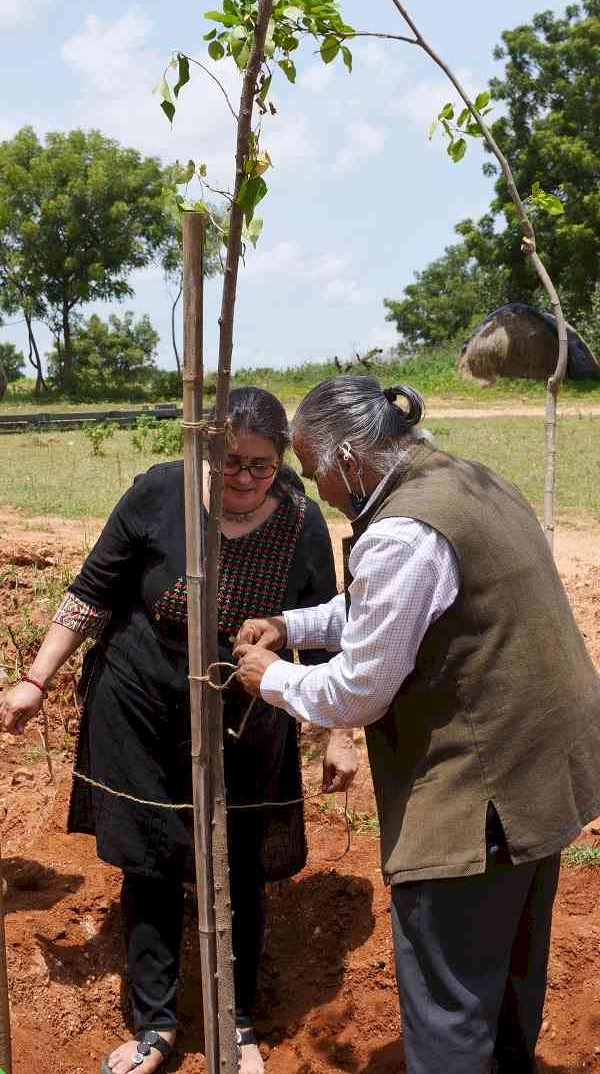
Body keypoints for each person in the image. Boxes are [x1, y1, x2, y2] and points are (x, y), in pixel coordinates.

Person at [234, 374, 600, 1074]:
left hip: (479, 795)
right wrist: (292, 624)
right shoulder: (466, 481)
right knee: (509, 976)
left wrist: (271, 678)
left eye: (312, 473)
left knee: (448, 1007)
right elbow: (391, 610)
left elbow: (361, 688)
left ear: (346, 459)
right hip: (544, 777)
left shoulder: (403, 530)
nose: (316, 491)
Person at [0, 386, 357, 1074]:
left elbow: (322, 632)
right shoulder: (159, 494)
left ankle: (238, 1020)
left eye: (261, 465)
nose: (245, 480)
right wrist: (35, 681)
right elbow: (91, 593)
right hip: (141, 699)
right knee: (152, 863)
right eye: (229, 464)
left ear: (282, 461)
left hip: (248, 710)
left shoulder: (301, 522)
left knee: (240, 864)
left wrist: (337, 732)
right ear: (200, 452)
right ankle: (156, 1024)